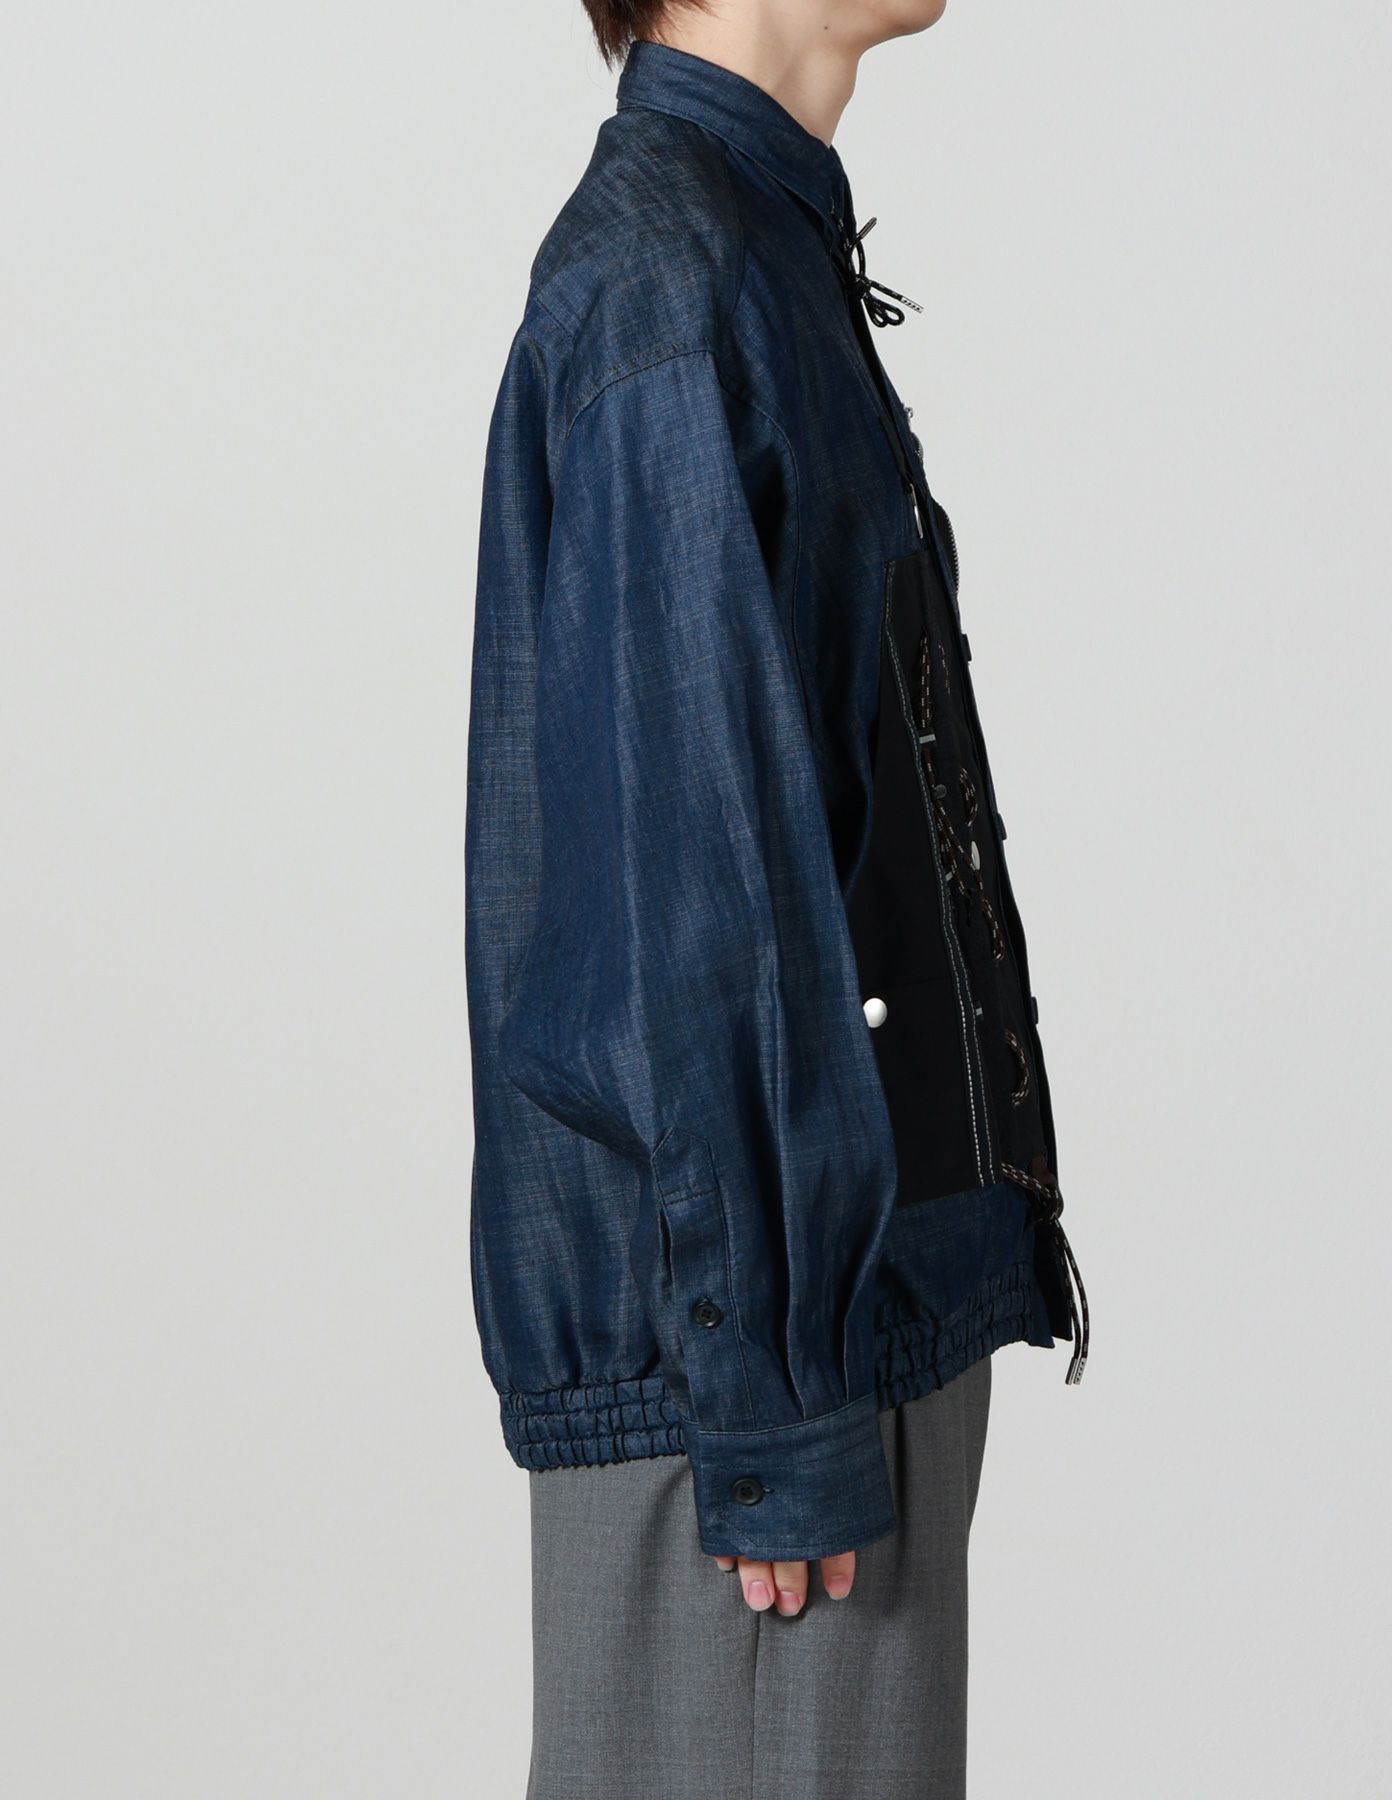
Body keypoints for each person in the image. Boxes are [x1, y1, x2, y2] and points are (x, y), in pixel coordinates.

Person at [464, 3, 1090, 1793]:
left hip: (829, 1323)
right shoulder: (672, 282)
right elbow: (693, 889)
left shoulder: (750, 241)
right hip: (759, 1384)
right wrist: (777, 1407)